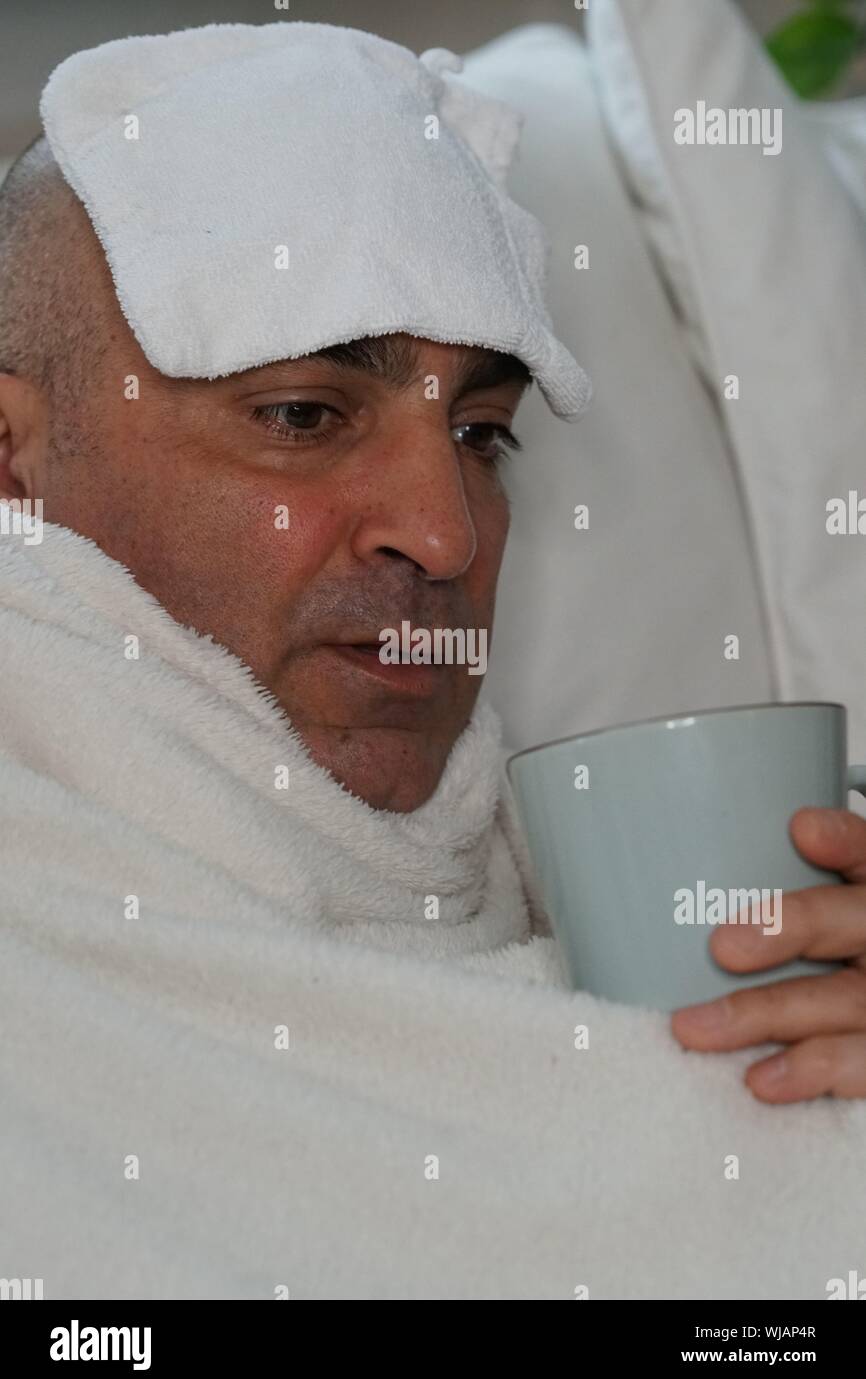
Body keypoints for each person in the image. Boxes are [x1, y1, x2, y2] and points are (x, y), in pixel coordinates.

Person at [0, 22, 864, 1138]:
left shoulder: (614, 928)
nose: (447, 536)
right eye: (303, 415)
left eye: (479, 433)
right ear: (13, 461)